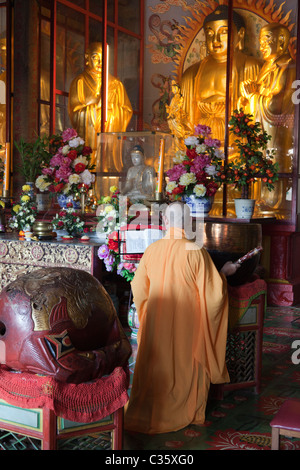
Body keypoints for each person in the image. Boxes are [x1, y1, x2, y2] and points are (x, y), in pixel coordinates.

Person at [124, 201, 240, 434]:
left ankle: (148, 408)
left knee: (154, 365)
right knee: (184, 364)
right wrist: (225, 273)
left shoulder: (152, 250)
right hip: (187, 327)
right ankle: (181, 409)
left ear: (165, 222)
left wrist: (150, 312)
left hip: (157, 324)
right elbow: (214, 296)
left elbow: (138, 288)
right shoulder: (196, 252)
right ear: (189, 223)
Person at [178, 5, 261, 145]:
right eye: (209, 33)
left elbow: (258, 116)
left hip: (236, 146)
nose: (215, 39)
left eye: (224, 32)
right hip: (202, 149)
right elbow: (185, 122)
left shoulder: (250, 67)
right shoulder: (191, 74)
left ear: (240, 35)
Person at [68, 42, 133, 170]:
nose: (99, 62)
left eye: (103, 58)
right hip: (89, 141)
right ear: (87, 58)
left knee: (108, 168)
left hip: (109, 145)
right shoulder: (80, 82)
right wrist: (96, 108)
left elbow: (126, 111)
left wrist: (111, 111)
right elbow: (75, 113)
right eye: (95, 57)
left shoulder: (115, 84)